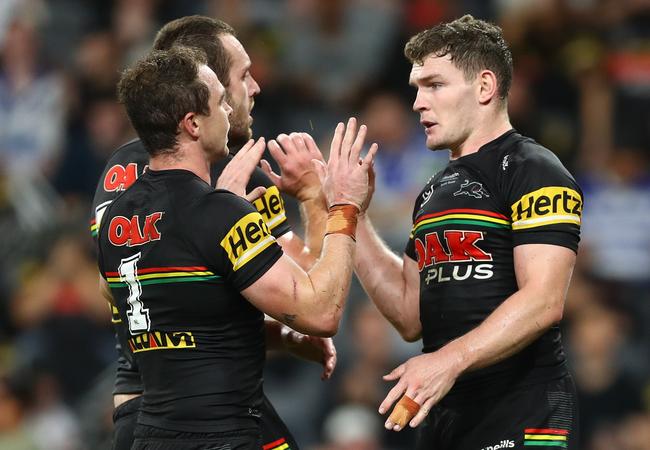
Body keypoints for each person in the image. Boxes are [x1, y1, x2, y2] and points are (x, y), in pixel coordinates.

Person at [98, 46, 375, 449]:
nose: (229, 111)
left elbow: (180, 322)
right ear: (192, 123)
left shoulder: (115, 218)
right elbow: (321, 311)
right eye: (219, 102)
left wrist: (285, 338)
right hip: (222, 436)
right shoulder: (216, 211)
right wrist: (343, 206)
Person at [353, 15, 583, 449]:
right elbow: (408, 316)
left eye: (435, 85)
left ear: (484, 87)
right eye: (416, 88)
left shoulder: (534, 170)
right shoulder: (432, 194)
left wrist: (448, 361)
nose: (418, 103)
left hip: (525, 412)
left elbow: (544, 301)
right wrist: (353, 214)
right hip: (446, 416)